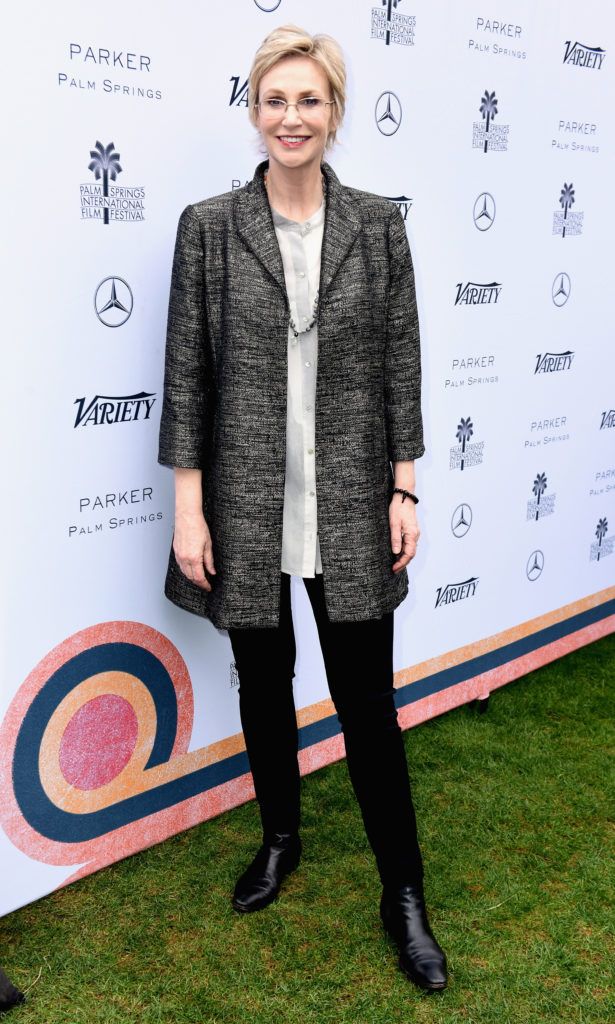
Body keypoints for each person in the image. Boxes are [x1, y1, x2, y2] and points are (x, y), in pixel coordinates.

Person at [158, 24, 447, 992]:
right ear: (253, 111)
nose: (293, 117)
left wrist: (405, 483)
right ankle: (282, 836)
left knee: (370, 706)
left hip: (351, 503)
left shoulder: (376, 224)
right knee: (263, 683)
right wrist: (188, 509)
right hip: (243, 505)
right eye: (275, 100)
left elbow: (402, 360)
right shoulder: (207, 227)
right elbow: (186, 378)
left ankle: (403, 891)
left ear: (335, 112)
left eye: (310, 100)